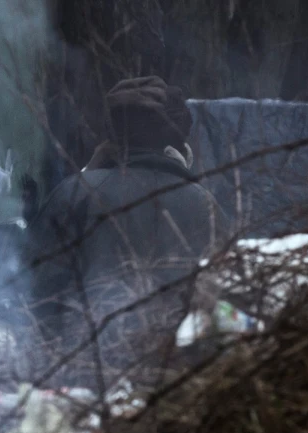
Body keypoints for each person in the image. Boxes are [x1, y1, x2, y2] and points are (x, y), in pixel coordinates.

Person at [25, 77, 226, 387]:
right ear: (176, 143)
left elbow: (36, 289)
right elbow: (221, 303)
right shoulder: (206, 204)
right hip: (175, 376)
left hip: (85, 372)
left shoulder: (75, 194)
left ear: (112, 137)